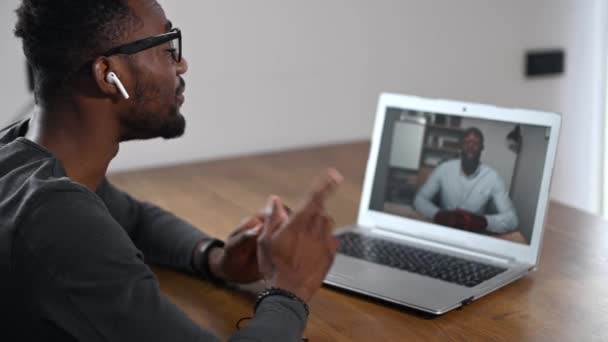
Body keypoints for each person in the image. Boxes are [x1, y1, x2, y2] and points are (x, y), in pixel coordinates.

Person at [0, 0, 342, 341]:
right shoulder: (57, 219)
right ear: (109, 74)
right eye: (166, 48)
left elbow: (134, 218)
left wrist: (217, 258)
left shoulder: (22, 156)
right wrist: (289, 288)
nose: (182, 65)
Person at [414, 127, 518, 234]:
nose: (471, 146)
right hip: (443, 231)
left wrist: (483, 221)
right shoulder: (444, 169)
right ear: (461, 146)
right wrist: (437, 215)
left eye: (476, 143)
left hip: (473, 236)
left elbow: (512, 219)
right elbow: (420, 199)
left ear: (482, 148)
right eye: (467, 142)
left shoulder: (493, 177)